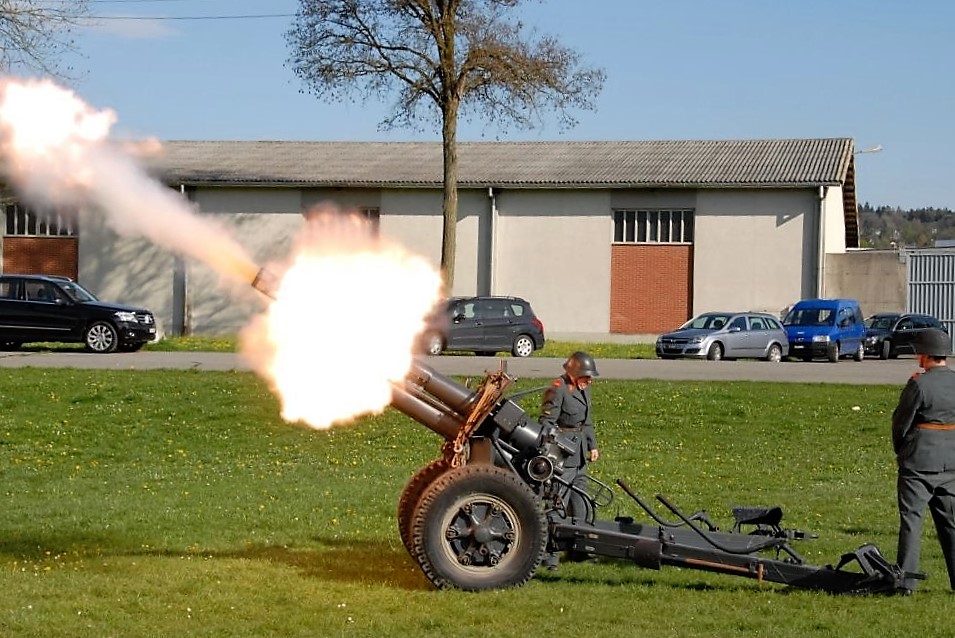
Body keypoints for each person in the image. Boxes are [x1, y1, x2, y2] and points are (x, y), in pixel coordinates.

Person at [892, 327, 955, 595]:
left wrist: (902, 450)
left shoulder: (918, 383)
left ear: (925, 355)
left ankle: (906, 582)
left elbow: (900, 423)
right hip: (950, 462)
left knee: (912, 521)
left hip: (918, 463)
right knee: (950, 523)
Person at [540, 351, 600, 521]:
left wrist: (592, 445)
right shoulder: (558, 389)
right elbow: (547, 422)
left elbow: (586, 421)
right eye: (585, 377)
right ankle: (552, 527)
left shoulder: (584, 390)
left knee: (580, 494)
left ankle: (580, 527)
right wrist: (553, 450)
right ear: (574, 375)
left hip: (579, 453)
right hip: (564, 453)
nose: (589, 381)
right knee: (558, 497)